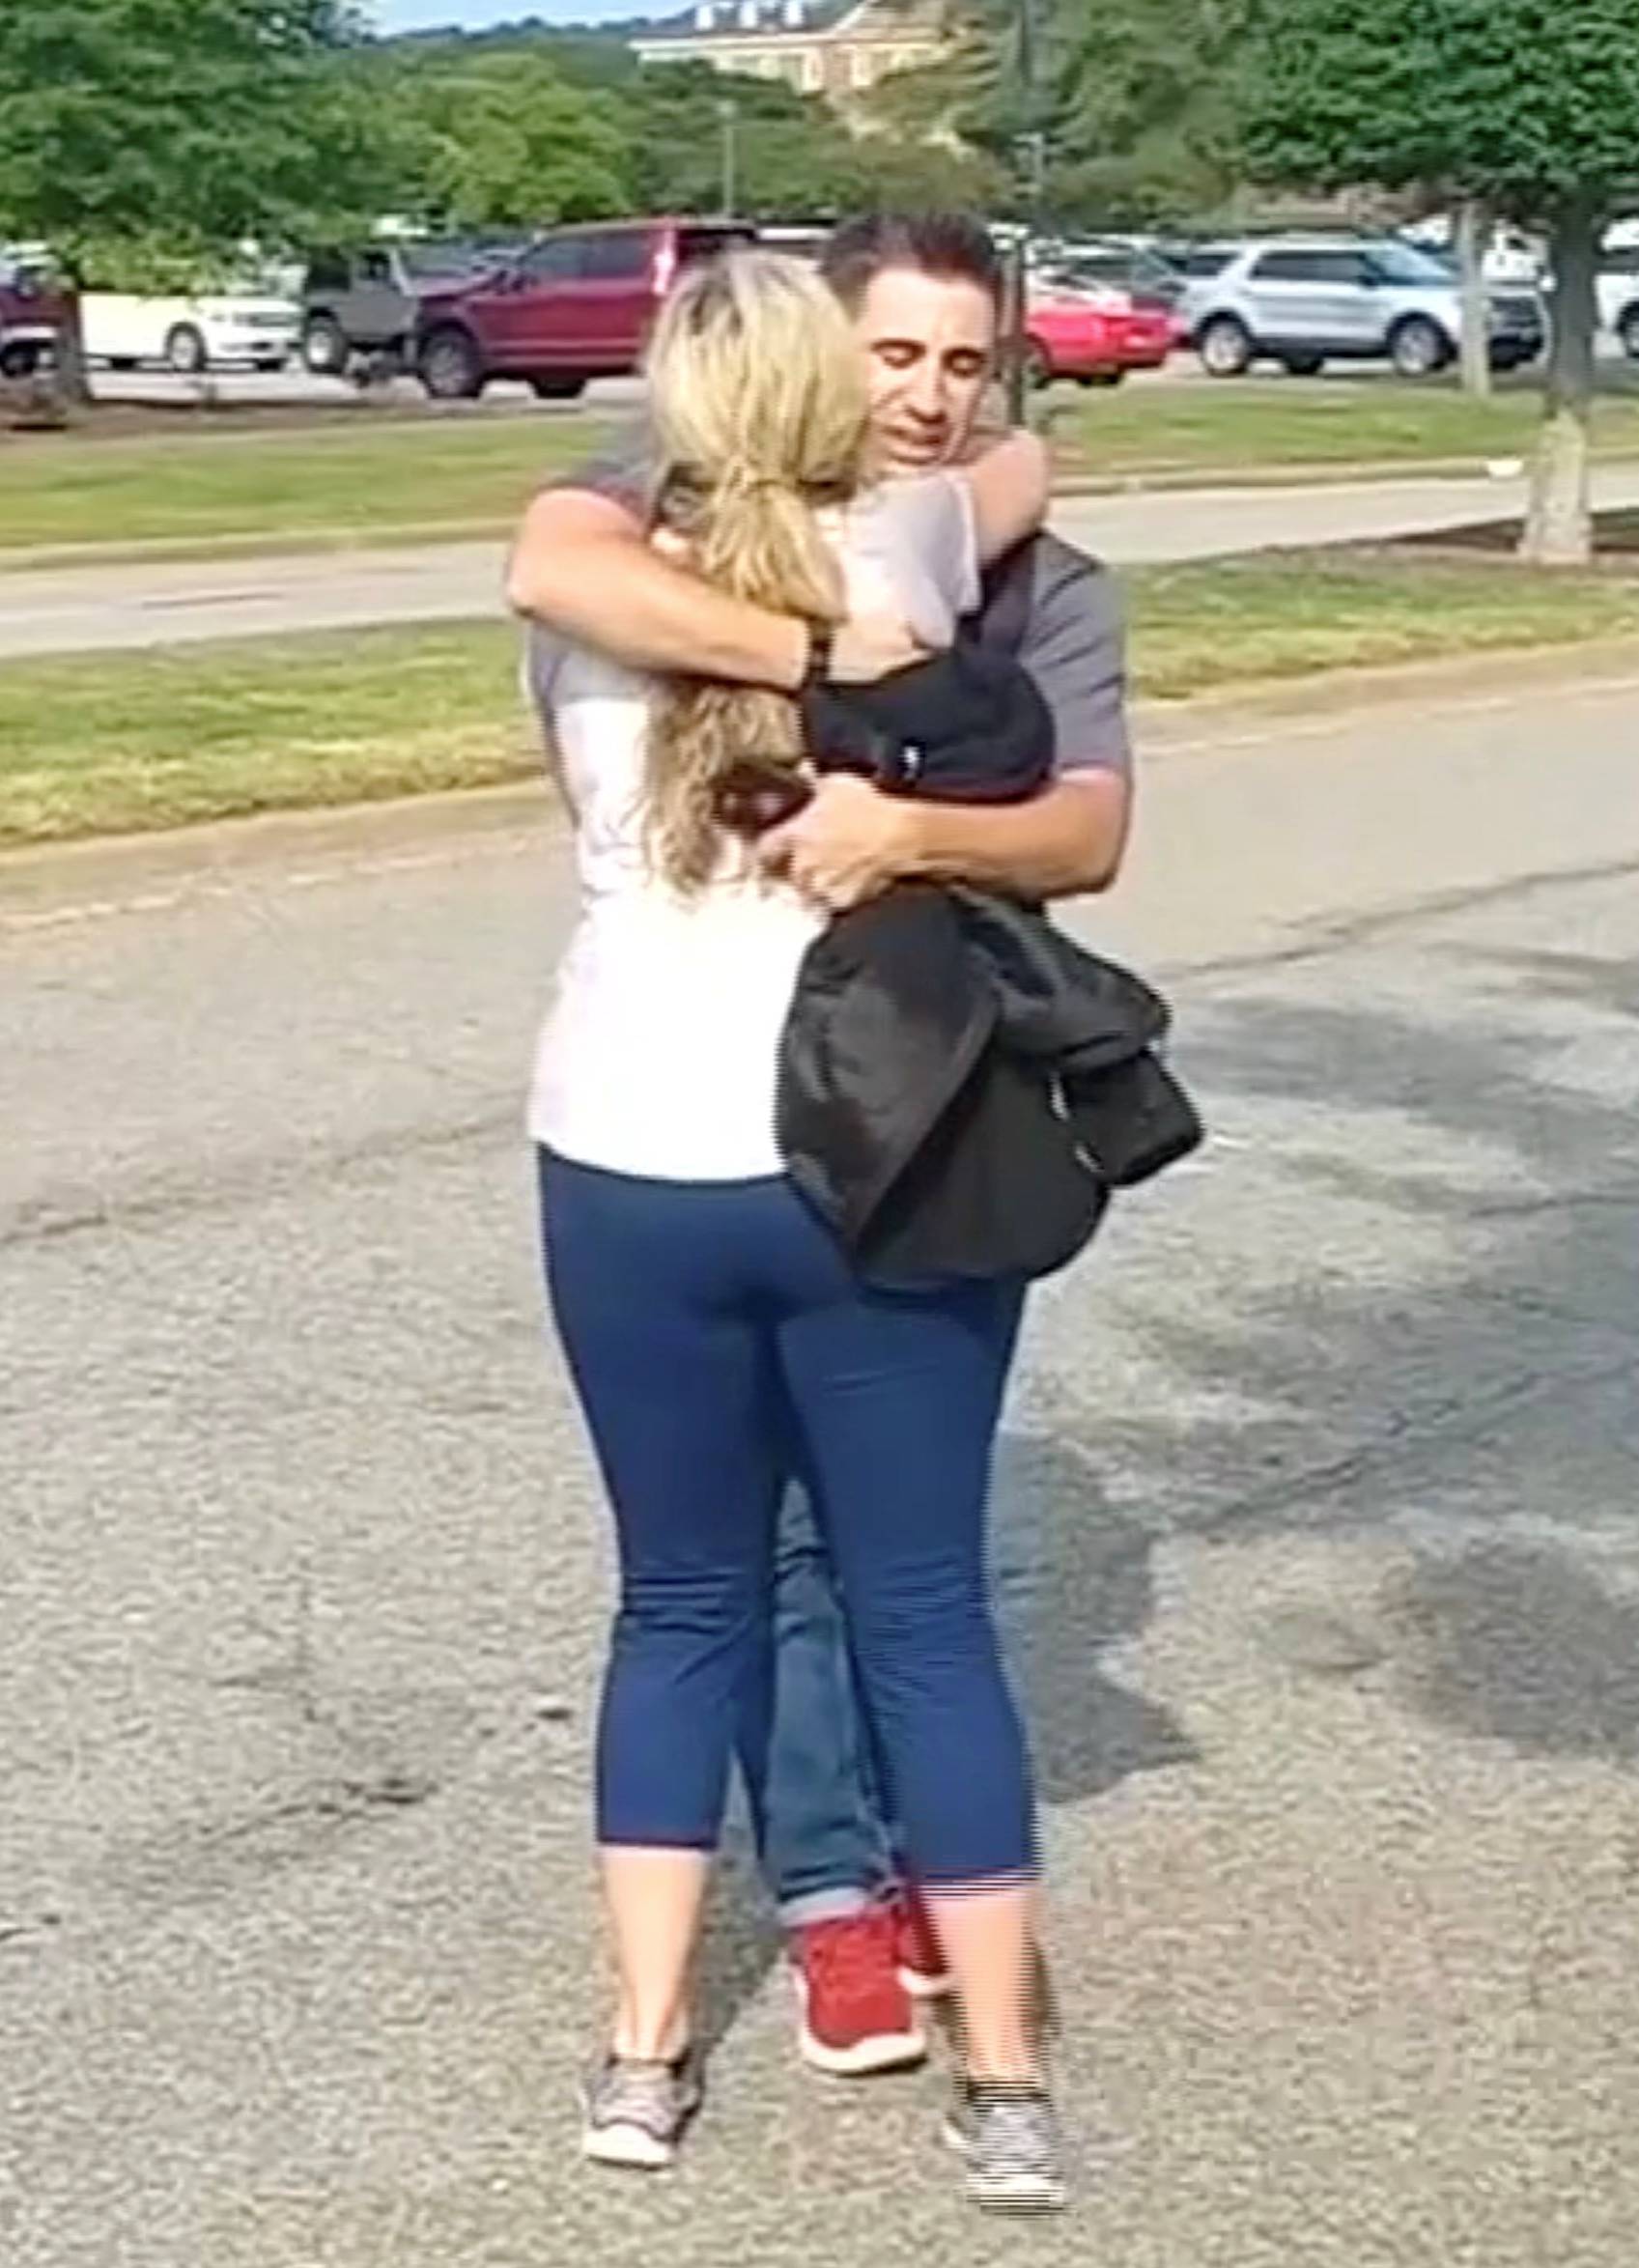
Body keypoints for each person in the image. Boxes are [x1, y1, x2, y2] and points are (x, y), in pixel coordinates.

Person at [507, 212, 1135, 2080]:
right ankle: (851, 1909)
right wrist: (829, 632)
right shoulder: (677, 539)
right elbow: (557, 551)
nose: (936, 400)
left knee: (760, 1581)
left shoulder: (1030, 572)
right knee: (822, 1577)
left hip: (865, 1107)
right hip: (778, 1123)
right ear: (812, 369)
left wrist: (911, 834)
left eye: (968, 363)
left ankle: (652, 2044)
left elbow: (1090, 835)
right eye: (894, 359)